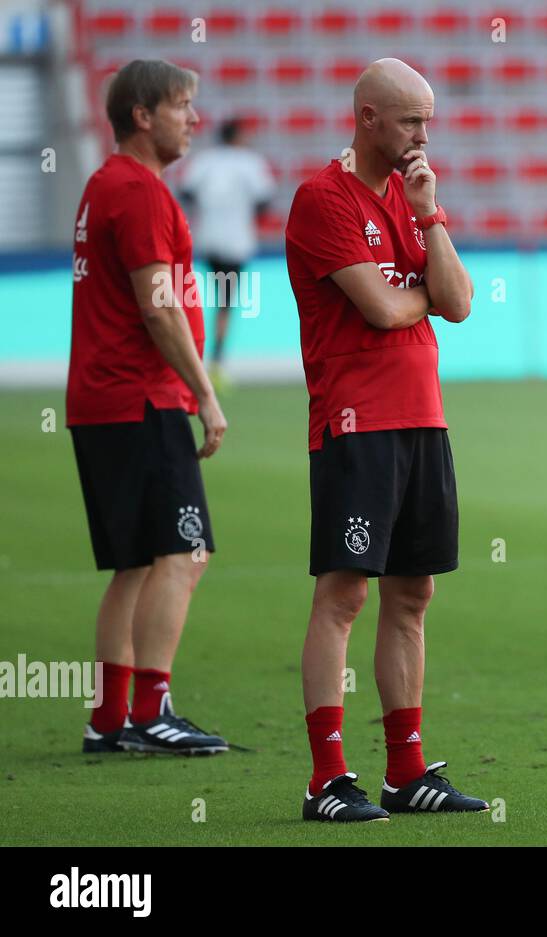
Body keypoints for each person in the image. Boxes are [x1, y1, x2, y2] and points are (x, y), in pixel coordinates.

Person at [285, 58, 479, 822]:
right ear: (367, 118)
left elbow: (456, 304)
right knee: (344, 593)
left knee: (413, 593)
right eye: (410, 121)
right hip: (356, 421)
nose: (424, 136)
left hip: (423, 417)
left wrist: (431, 217)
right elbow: (382, 310)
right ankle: (326, 778)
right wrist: (418, 293)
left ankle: (406, 771)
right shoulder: (321, 198)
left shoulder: (411, 193)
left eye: (427, 120)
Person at [68, 59, 229, 756]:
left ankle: (110, 719)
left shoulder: (105, 186)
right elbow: (160, 309)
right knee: (184, 551)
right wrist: (205, 391)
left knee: (134, 561)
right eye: (182, 105)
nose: (195, 119)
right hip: (141, 397)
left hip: (104, 399)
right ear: (143, 115)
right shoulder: (138, 193)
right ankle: (151, 709)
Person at [177, 116, 275, 389]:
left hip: (207, 238)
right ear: (238, 136)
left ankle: (190, 356)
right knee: (225, 304)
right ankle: (216, 363)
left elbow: (185, 192)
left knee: (193, 299)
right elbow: (265, 200)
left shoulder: (204, 161)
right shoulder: (250, 162)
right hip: (235, 242)